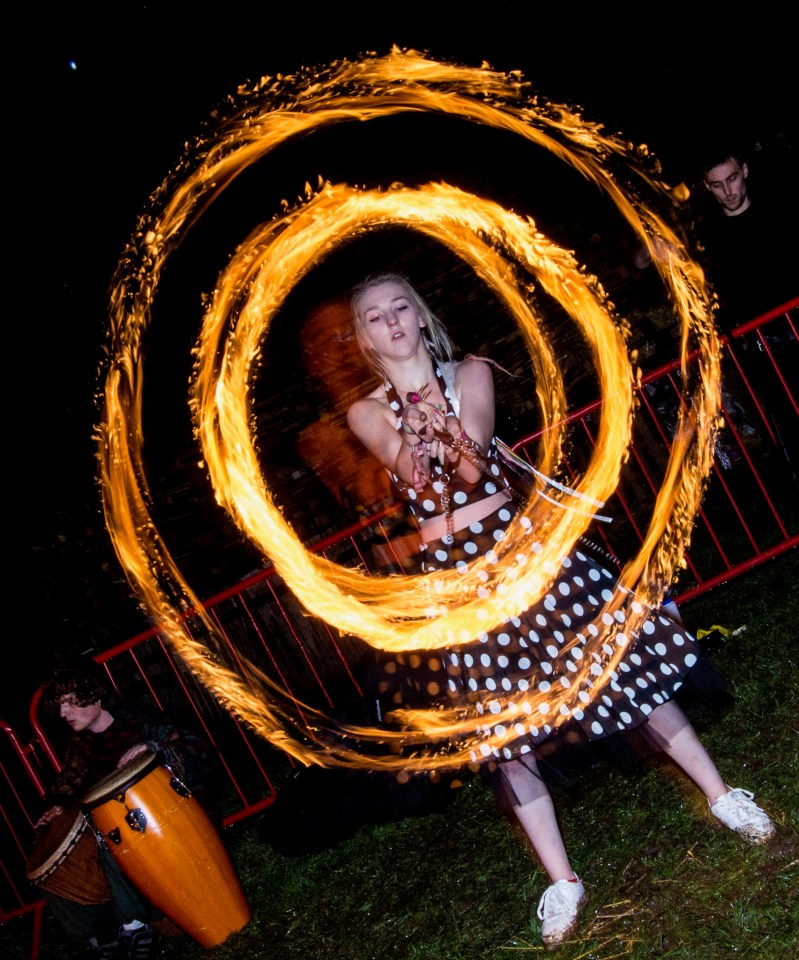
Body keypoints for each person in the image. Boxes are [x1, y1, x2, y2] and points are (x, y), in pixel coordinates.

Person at [345, 271, 776, 950]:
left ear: (420, 316)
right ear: (364, 338)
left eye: (402, 307)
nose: (392, 322)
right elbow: (412, 474)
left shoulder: (472, 374)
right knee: (501, 733)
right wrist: (416, 428)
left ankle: (722, 796)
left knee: (618, 673)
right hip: (459, 583)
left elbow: (473, 463)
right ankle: (562, 882)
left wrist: (445, 426)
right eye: (376, 317)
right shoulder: (365, 411)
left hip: (521, 556)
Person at [29, 665, 221, 960]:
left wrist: (154, 748)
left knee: (111, 835)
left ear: (93, 696)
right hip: (122, 836)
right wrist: (57, 808)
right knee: (51, 858)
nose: (63, 713)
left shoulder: (141, 721)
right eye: (60, 706)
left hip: (170, 825)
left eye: (69, 702)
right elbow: (66, 787)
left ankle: (136, 927)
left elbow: (199, 750)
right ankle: (101, 936)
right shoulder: (81, 748)